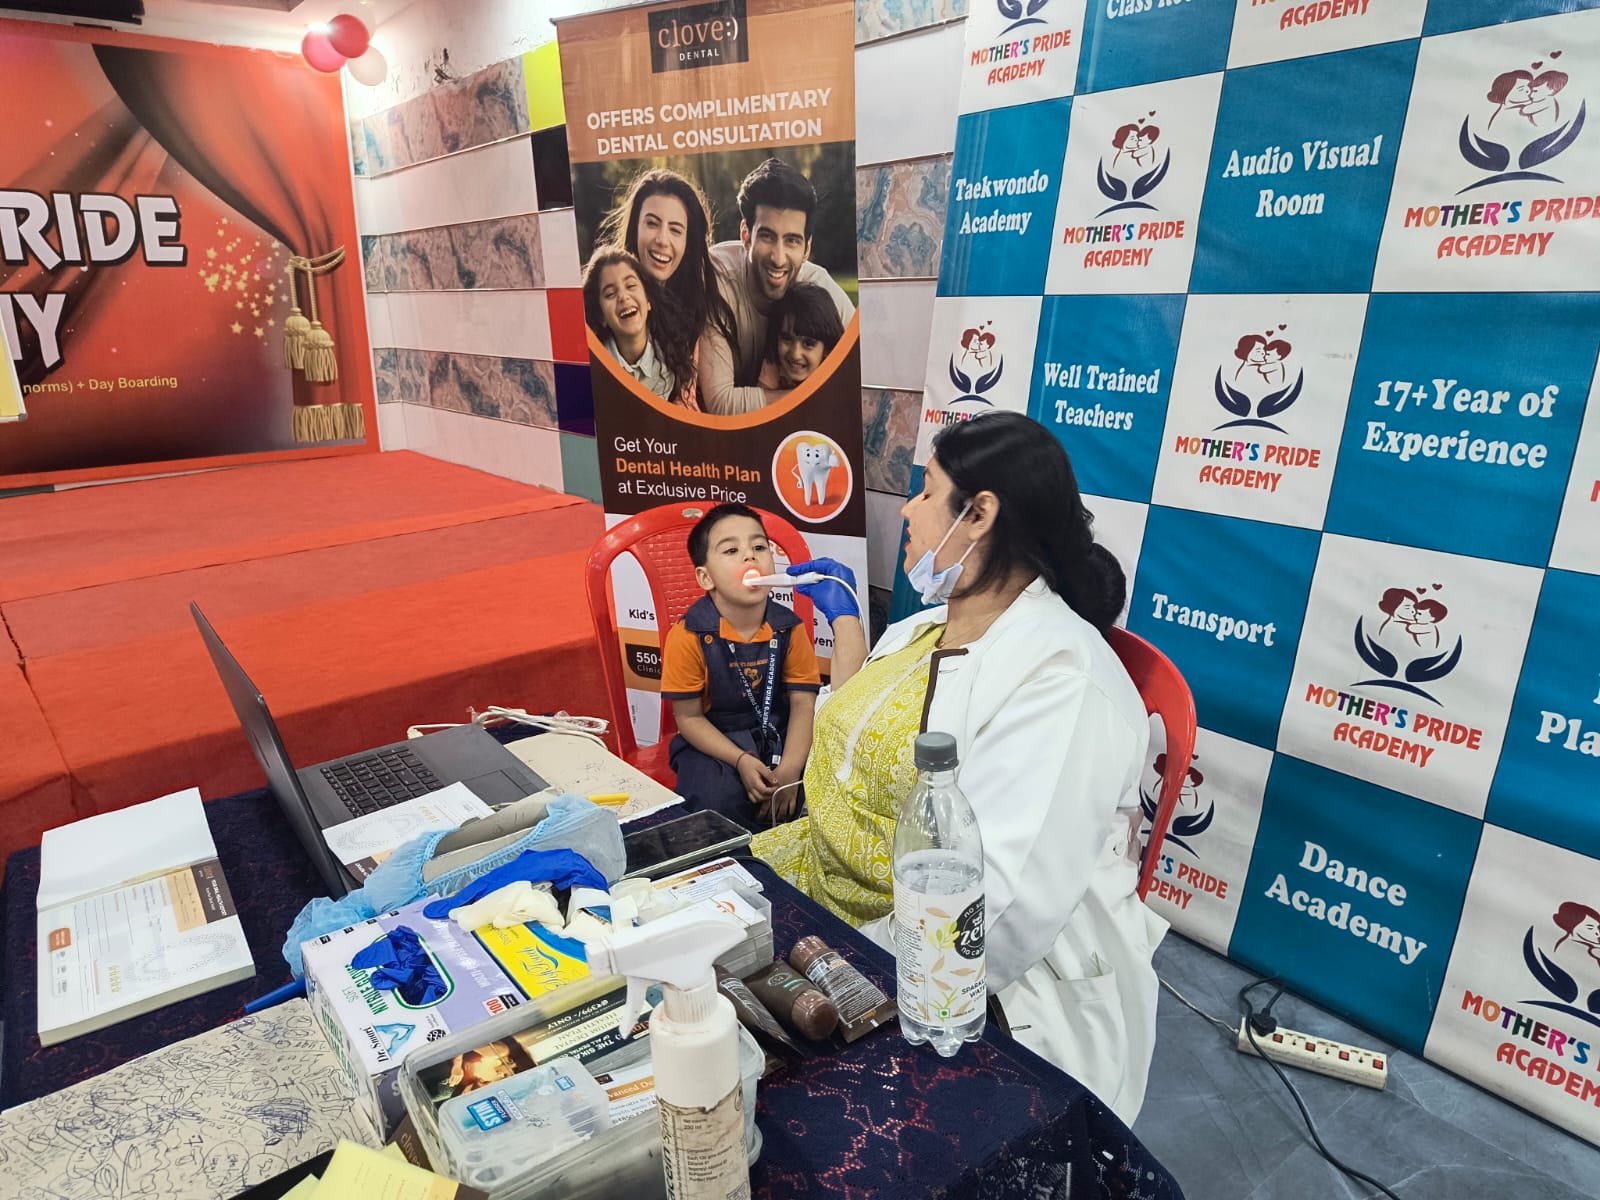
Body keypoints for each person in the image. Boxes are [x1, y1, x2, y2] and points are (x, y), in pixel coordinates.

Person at [752, 411, 1164, 1124]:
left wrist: (846, 971)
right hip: (820, 888)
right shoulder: (926, 627)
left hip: (941, 973)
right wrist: (846, 625)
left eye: (925, 491)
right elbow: (851, 738)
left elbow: (995, 912)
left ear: (979, 515)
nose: (907, 510)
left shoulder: (1062, 680)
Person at [659, 504, 823, 832]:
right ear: (705, 577)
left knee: (820, 786)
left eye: (759, 547)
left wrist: (790, 770)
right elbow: (689, 719)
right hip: (714, 743)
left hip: (780, 735)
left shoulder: (789, 628)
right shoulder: (688, 635)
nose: (750, 556)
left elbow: (804, 705)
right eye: (731, 550)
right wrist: (741, 759)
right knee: (717, 800)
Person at [700, 157, 856, 415]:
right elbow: (721, 403)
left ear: (807, 247)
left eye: (792, 240)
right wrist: (818, 398)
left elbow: (861, 373)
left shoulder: (819, 287)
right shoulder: (716, 280)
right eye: (767, 236)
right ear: (746, 235)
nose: (779, 257)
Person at [596, 167, 737, 368]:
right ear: (635, 227)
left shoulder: (694, 309)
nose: (662, 240)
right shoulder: (603, 299)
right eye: (652, 224)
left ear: (687, 242)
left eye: (675, 230)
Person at [581, 247, 698, 408]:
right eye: (610, 294)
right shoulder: (592, 371)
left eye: (630, 285)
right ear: (601, 316)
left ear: (648, 300)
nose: (623, 297)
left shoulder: (668, 364)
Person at [757, 282, 845, 390]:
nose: (795, 354)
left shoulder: (836, 373)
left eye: (808, 343)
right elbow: (764, 397)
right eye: (787, 339)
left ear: (826, 348)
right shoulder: (774, 362)